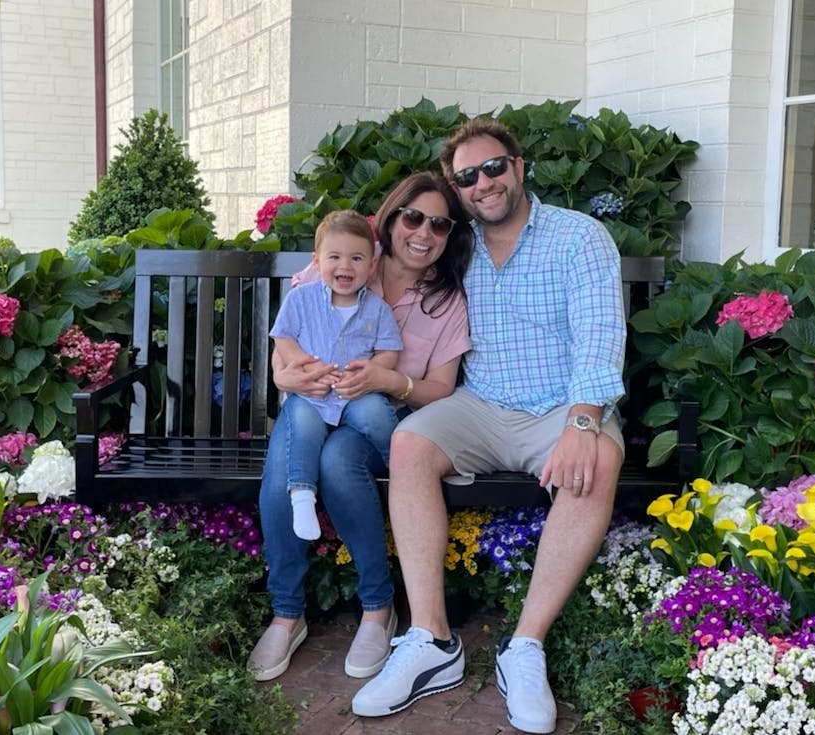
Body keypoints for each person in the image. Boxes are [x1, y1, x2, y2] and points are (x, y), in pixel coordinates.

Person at [351, 118, 627, 735]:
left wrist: (585, 420)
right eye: (467, 177)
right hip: (481, 403)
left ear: (519, 166)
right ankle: (432, 640)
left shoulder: (579, 238)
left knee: (600, 461)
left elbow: (600, 336)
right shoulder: (456, 243)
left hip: (560, 406)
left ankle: (525, 647)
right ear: (458, 187)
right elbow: (383, 265)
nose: (484, 184)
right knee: (411, 441)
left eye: (494, 167)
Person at [248, 172, 473, 683]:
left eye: (439, 224)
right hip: (310, 404)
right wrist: (285, 373)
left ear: (449, 234)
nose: (424, 232)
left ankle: (378, 609)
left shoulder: (446, 300)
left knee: (337, 462)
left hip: (378, 422)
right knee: (285, 475)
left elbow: (441, 389)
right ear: (390, 223)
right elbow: (287, 342)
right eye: (413, 217)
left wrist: (390, 379)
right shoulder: (343, 263)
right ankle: (287, 614)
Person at [270, 210, 402, 541]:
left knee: (375, 412)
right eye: (335, 257)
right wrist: (302, 365)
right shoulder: (301, 299)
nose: (345, 266)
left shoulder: (377, 308)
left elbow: (389, 350)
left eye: (357, 258)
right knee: (301, 423)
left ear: (371, 265)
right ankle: (301, 494)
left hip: (353, 391)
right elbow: (282, 336)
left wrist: (375, 370)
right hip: (311, 392)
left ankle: (400, 466)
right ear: (317, 261)